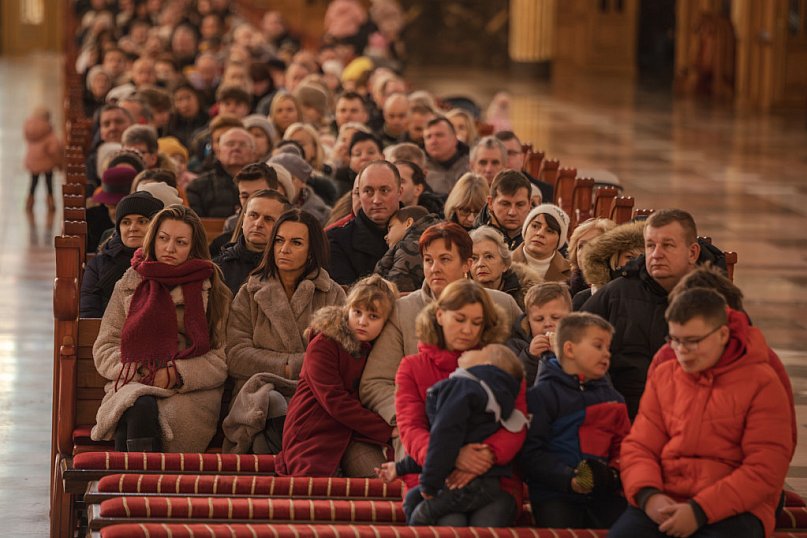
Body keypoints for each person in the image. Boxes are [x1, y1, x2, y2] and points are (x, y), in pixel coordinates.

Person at [610, 288, 793, 538]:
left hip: (735, 508)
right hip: (666, 498)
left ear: (722, 334)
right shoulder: (665, 375)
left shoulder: (762, 382)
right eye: (675, 339)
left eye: (693, 341)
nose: (682, 350)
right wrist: (649, 496)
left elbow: (765, 467)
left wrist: (700, 510)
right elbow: (639, 446)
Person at [359, 223, 522, 453]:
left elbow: (518, 371)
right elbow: (375, 382)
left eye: (445, 259)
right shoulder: (403, 310)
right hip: (421, 427)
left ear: (467, 264)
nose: (434, 268)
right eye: (428, 260)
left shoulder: (502, 304)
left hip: (486, 422)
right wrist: (409, 416)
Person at [91, 205, 232, 453]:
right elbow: (105, 346)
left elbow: (220, 360)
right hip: (135, 378)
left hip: (190, 393)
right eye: (163, 239)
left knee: (136, 409)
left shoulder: (214, 291)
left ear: (193, 247)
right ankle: (145, 483)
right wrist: (142, 369)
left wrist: (176, 374)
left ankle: (128, 485)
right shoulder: (130, 282)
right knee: (138, 403)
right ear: (153, 239)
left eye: (180, 242)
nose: (169, 248)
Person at [391, 279, 527, 526]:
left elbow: (517, 421)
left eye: (477, 323)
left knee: (488, 523)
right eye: (460, 319)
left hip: (493, 476)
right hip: (431, 474)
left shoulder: (501, 363)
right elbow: (410, 429)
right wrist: (451, 456)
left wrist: (486, 456)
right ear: (440, 315)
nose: (468, 330)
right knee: (449, 524)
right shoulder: (412, 367)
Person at [580, 209, 713, 417]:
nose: (656, 254)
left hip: (693, 418)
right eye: (650, 245)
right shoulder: (615, 295)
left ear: (692, 253)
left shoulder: (714, 300)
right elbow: (576, 357)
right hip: (622, 418)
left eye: (667, 245)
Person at [378, 344, 528, 526]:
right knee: (413, 499)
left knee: (424, 514)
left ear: (485, 365)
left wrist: (429, 483)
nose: (466, 350)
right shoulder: (488, 396)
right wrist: (401, 468)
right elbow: (434, 441)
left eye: (477, 351)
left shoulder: (463, 388)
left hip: (465, 482)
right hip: (466, 477)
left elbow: (443, 440)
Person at [275, 275, 397, 478]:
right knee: (315, 494)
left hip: (356, 433)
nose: (362, 322)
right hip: (314, 430)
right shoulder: (325, 343)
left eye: (373, 316)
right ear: (347, 309)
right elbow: (334, 400)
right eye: (357, 312)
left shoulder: (380, 347)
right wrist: (386, 430)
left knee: (381, 480)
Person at [520, 312, 630, 528]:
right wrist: (568, 478)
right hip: (555, 494)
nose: (606, 354)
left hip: (605, 493)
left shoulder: (614, 399)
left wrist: (613, 475)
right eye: (598, 346)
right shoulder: (541, 396)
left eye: (608, 348)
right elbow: (530, 453)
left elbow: (626, 446)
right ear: (569, 349)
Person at [226, 209, 346, 396]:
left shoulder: (332, 294)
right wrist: (286, 368)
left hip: (314, 392)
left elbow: (338, 355)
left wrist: (291, 367)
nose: (284, 249)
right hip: (257, 394)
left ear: (311, 251)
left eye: (296, 242)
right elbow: (235, 355)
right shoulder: (250, 292)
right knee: (270, 401)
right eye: (279, 240)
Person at [81, 192, 164, 318]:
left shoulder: (165, 260)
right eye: (126, 222)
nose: (132, 228)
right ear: (118, 228)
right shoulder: (99, 264)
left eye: (142, 221)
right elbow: (88, 312)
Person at [327, 160, 402, 285]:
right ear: (359, 195)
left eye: (384, 190)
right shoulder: (336, 240)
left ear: (400, 192)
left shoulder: (422, 230)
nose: (376, 200)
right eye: (368, 191)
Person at [213, 190, 291, 295]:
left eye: (268, 219)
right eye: (253, 215)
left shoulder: (290, 269)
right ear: (243, 220)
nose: (258, 224)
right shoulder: (217, 268)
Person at [506, 282, 573, 386]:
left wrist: (563, 355)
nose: (547, 324)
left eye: (555, 318)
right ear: (528, 321)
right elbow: (514, 383)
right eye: (539, 319)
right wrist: (530, 357)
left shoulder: (579, 341)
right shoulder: (516, 344)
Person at [186, 128, 257, 218]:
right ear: (218, 152)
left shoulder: (264, 185)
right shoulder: (197, 187)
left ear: (254, 153)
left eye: (243, 145)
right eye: (230, 144)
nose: (236, 148)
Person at [573, 220, 644, 309]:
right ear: (616, 259)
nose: (637, 262)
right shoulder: (584, 298)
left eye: (643, 257)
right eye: (630, 257)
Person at [470, 226, 542, 310]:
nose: (480, 264)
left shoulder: (529, 297)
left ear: (505, 265)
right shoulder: (459, 295)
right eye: (474, 258)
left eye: (489, 257)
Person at [375, 206, 441, 293]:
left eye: (390, 228)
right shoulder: (440, 238)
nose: (385, 236)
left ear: (408, 223)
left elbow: (396, 292)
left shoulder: (409, 247)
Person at [513, 203, 572, 282]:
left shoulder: (571, 273)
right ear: (525, 229)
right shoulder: (503, 263)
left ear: (559, 240)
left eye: (549, 231)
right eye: (535, 226)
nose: (540, 233)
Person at [474, 170, 532, 250]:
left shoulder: (539, 239)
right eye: (505, 204)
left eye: (520, 205)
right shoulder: (471, 241)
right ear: (490, 203)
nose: (512, 212)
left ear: (529, 204)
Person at [23, 106, 62, 211]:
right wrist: (59, 162)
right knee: (49, 183)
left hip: (33, 162)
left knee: (33, 183)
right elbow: (54, 149)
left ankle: (29, 202)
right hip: (47, 163)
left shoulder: (29, 128)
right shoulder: (48, 131)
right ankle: (51, 202)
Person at [567, 218, 616, 296]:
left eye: (592, 244)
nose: (585, 250)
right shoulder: (566, 290)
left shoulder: (616, 288)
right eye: (581, 246)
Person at [423, 117, 470, 194]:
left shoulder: (472, 165)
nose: (433, 141)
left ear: (454, 139)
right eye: (428, 137)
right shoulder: (420, 169)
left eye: (439, 135)